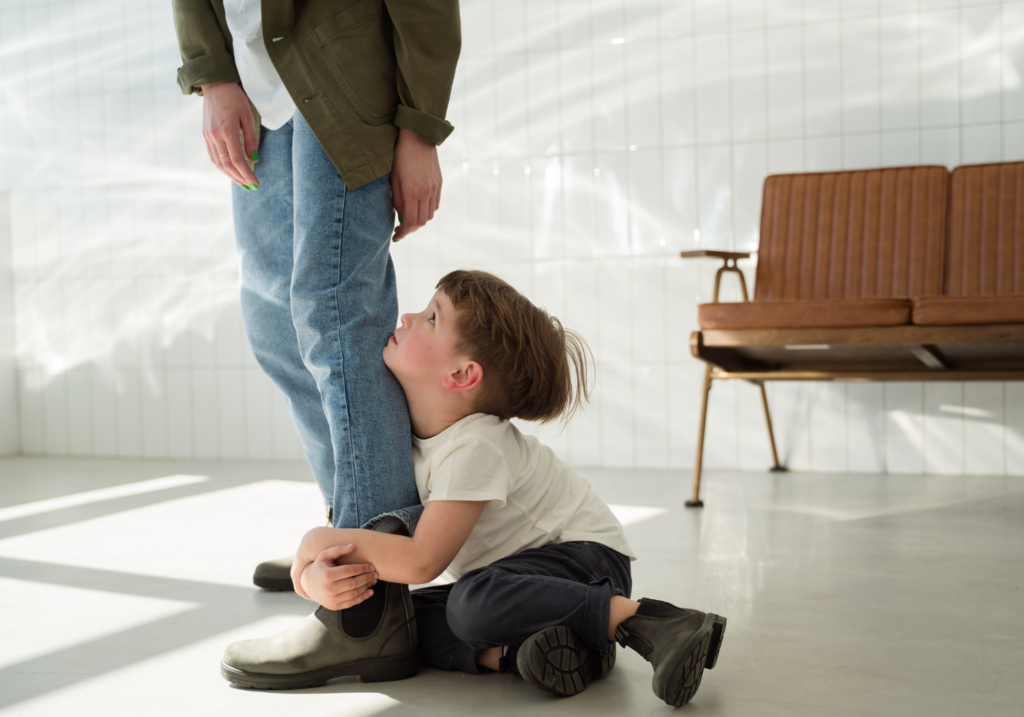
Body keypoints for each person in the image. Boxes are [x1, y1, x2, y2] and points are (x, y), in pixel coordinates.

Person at [220, 270, 728, 708]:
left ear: (462, 374)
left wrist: (315, 546)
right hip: (519, 576)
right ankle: (534, 652)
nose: (406, 318)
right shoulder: (412, 429)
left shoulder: (476, 446)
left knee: (471, 603)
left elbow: (421, 561)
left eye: (431, 318)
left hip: (586, 563)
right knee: (401, 624)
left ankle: (653, 622)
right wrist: (318, 580)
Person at [171, 0, 461, 600]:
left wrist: (419, 127)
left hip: (344, 82)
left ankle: (372, 586)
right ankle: (347, 540)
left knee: (337, 317)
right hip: (255, 95)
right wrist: (214, 75)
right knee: (275, 326)